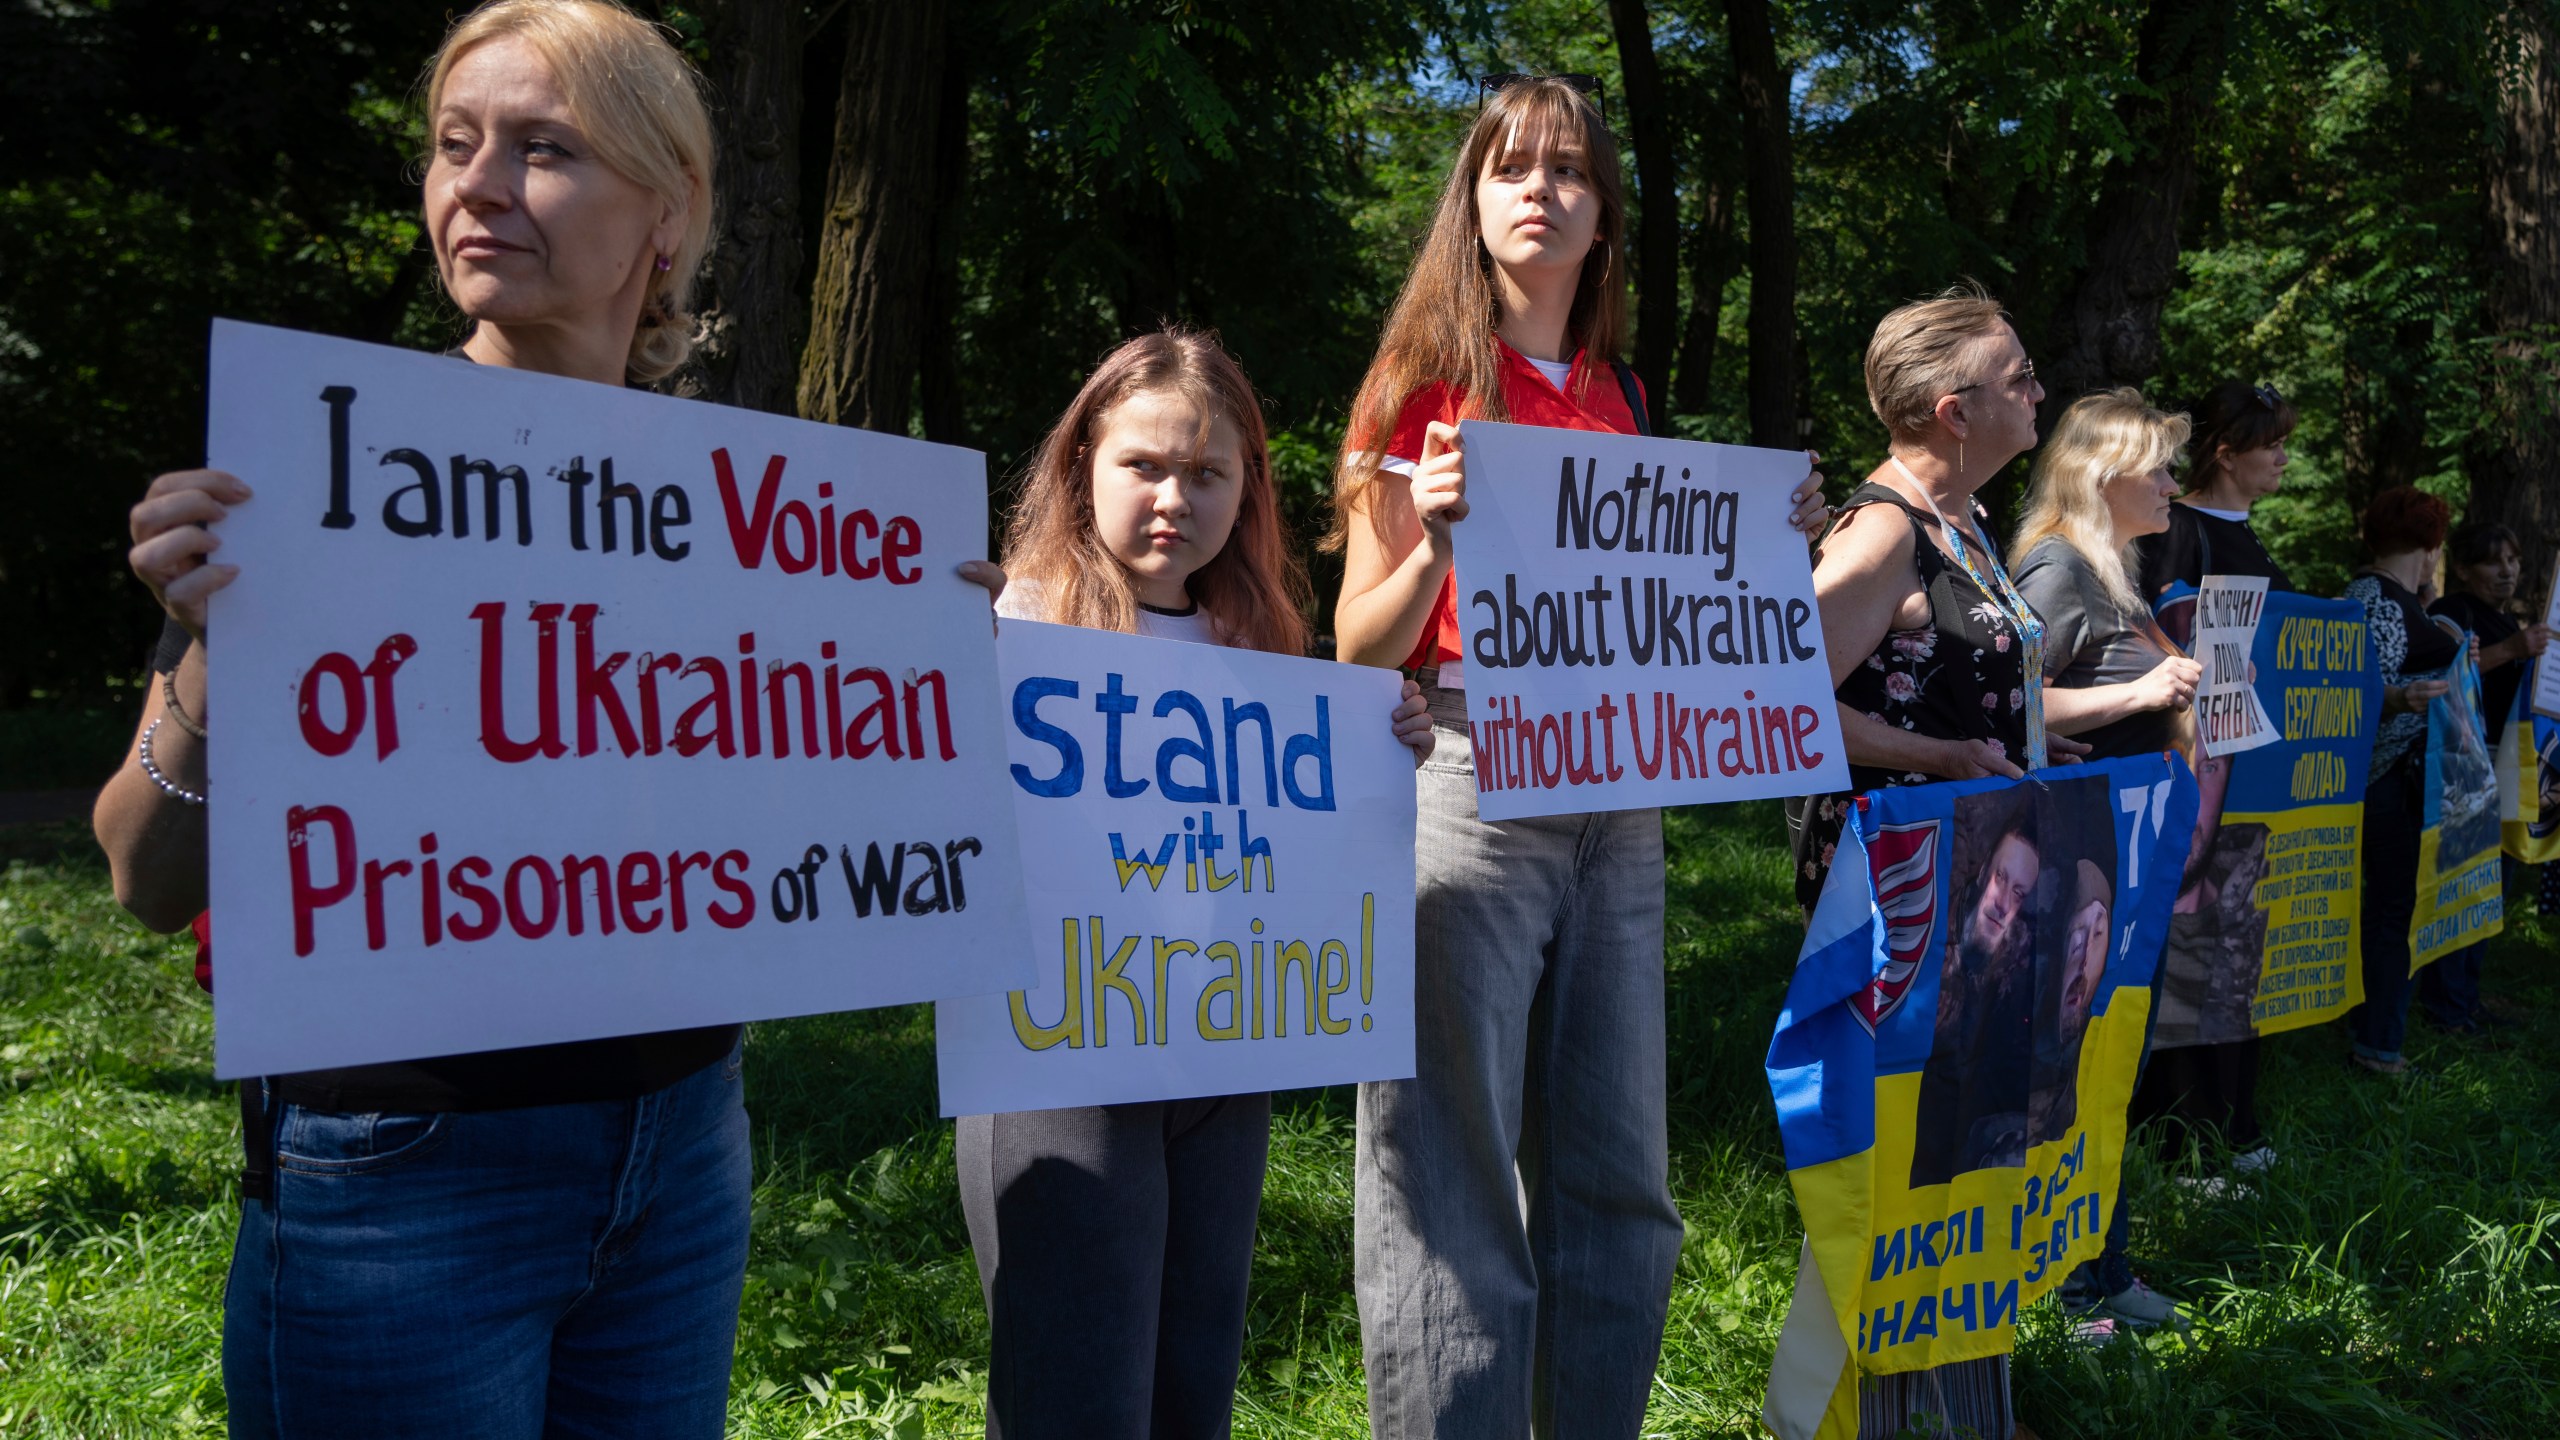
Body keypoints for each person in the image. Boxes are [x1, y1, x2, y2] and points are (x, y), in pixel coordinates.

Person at [94, 5, 764, 1433]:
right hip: (400, 1163)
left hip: (686, 1143)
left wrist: (906, 677)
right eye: (455, 145)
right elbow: (143, 876)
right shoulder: (323, 462)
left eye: (542, 149)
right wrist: (219, 648)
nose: (476, 183)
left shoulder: (752, 516)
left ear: (667, 209)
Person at [1327, 75, 1827, 1438]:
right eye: (1511, 168)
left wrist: (1779, 539)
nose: (1541, 191)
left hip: (1623, 792)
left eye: (1569, 172)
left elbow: (1673, 609)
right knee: (1451, 1167)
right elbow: (1353, 648)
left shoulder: (1624, 392)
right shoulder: (1416, 386)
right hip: (1467, 777)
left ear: (1605, 214)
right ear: (1473, 204)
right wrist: (1429, 536)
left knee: (1622, 1173)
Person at [957, 328, 1435, 1439]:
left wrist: (1379, 744)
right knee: (1077, 1389)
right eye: (1145, 466)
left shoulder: (1260, 643)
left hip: (1223, 1053)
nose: (1174, 497)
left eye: (1208, 473)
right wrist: (953, 667)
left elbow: (1300, 841)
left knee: (1192, 1381)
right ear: (1083, 464)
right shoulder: (1015, 622)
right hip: (1059, 1058)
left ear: (1245, 490)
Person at [1789, 285, 2063, 1439]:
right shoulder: (1882, 529)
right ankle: (1861, 1412)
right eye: (2017, 378)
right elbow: (1782, 700)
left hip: (1973, 871)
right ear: (1953, 411)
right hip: (1893, 885)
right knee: (1901, 1151)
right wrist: (1939, 753)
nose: (2039, 390)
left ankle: (1946, 1405)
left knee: (1964, 1146)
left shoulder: (1968, 524)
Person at [2009, 388, 2203, 1332]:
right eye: (2159, 466)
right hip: (2086, 867)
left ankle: (2102, 1269)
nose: (2173, 482)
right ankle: (2079, 1288)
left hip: (2124, 864)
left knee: (2106, 1067)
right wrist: (2148, 694)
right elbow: (2013, 709)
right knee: (2079, 1071)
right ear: (2103, 475)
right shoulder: (2056, 568)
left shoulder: (2112, 570)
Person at [2123, 379, 2298, 1175]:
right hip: (2195, 785)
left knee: (2236, 959)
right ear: (2226, 453)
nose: (2284, 458)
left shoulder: (2254, 539)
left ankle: (2236, 1119)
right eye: (2272, 444)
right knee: (2192, 956)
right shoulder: (2178, 529)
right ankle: (2185, 1139)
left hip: (2254, 790)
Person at [2343, 486, 2462, 1075]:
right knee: (2393, 913)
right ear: (2430, 542)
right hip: (2388, 782)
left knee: (2389, 911)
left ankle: (2372, 1028)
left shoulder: (2389, 597)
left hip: (2396, 782)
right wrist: (2404, 698)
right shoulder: (2379, 602)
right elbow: (2367, 694)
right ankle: (2378, 1046)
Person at [2424, 520, 2552, 1032]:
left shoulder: (2507, 620)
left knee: (2492, 887)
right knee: (2464, 887)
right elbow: (2449, 681)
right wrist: (2514, 652)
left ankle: (2467, 1000)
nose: (2506, 571)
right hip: (2467, 771)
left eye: (2514, 560)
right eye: (2492, 562)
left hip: (2508, 770)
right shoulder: (2453, 613)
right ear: (2461, 568)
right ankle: (2447, 1007)